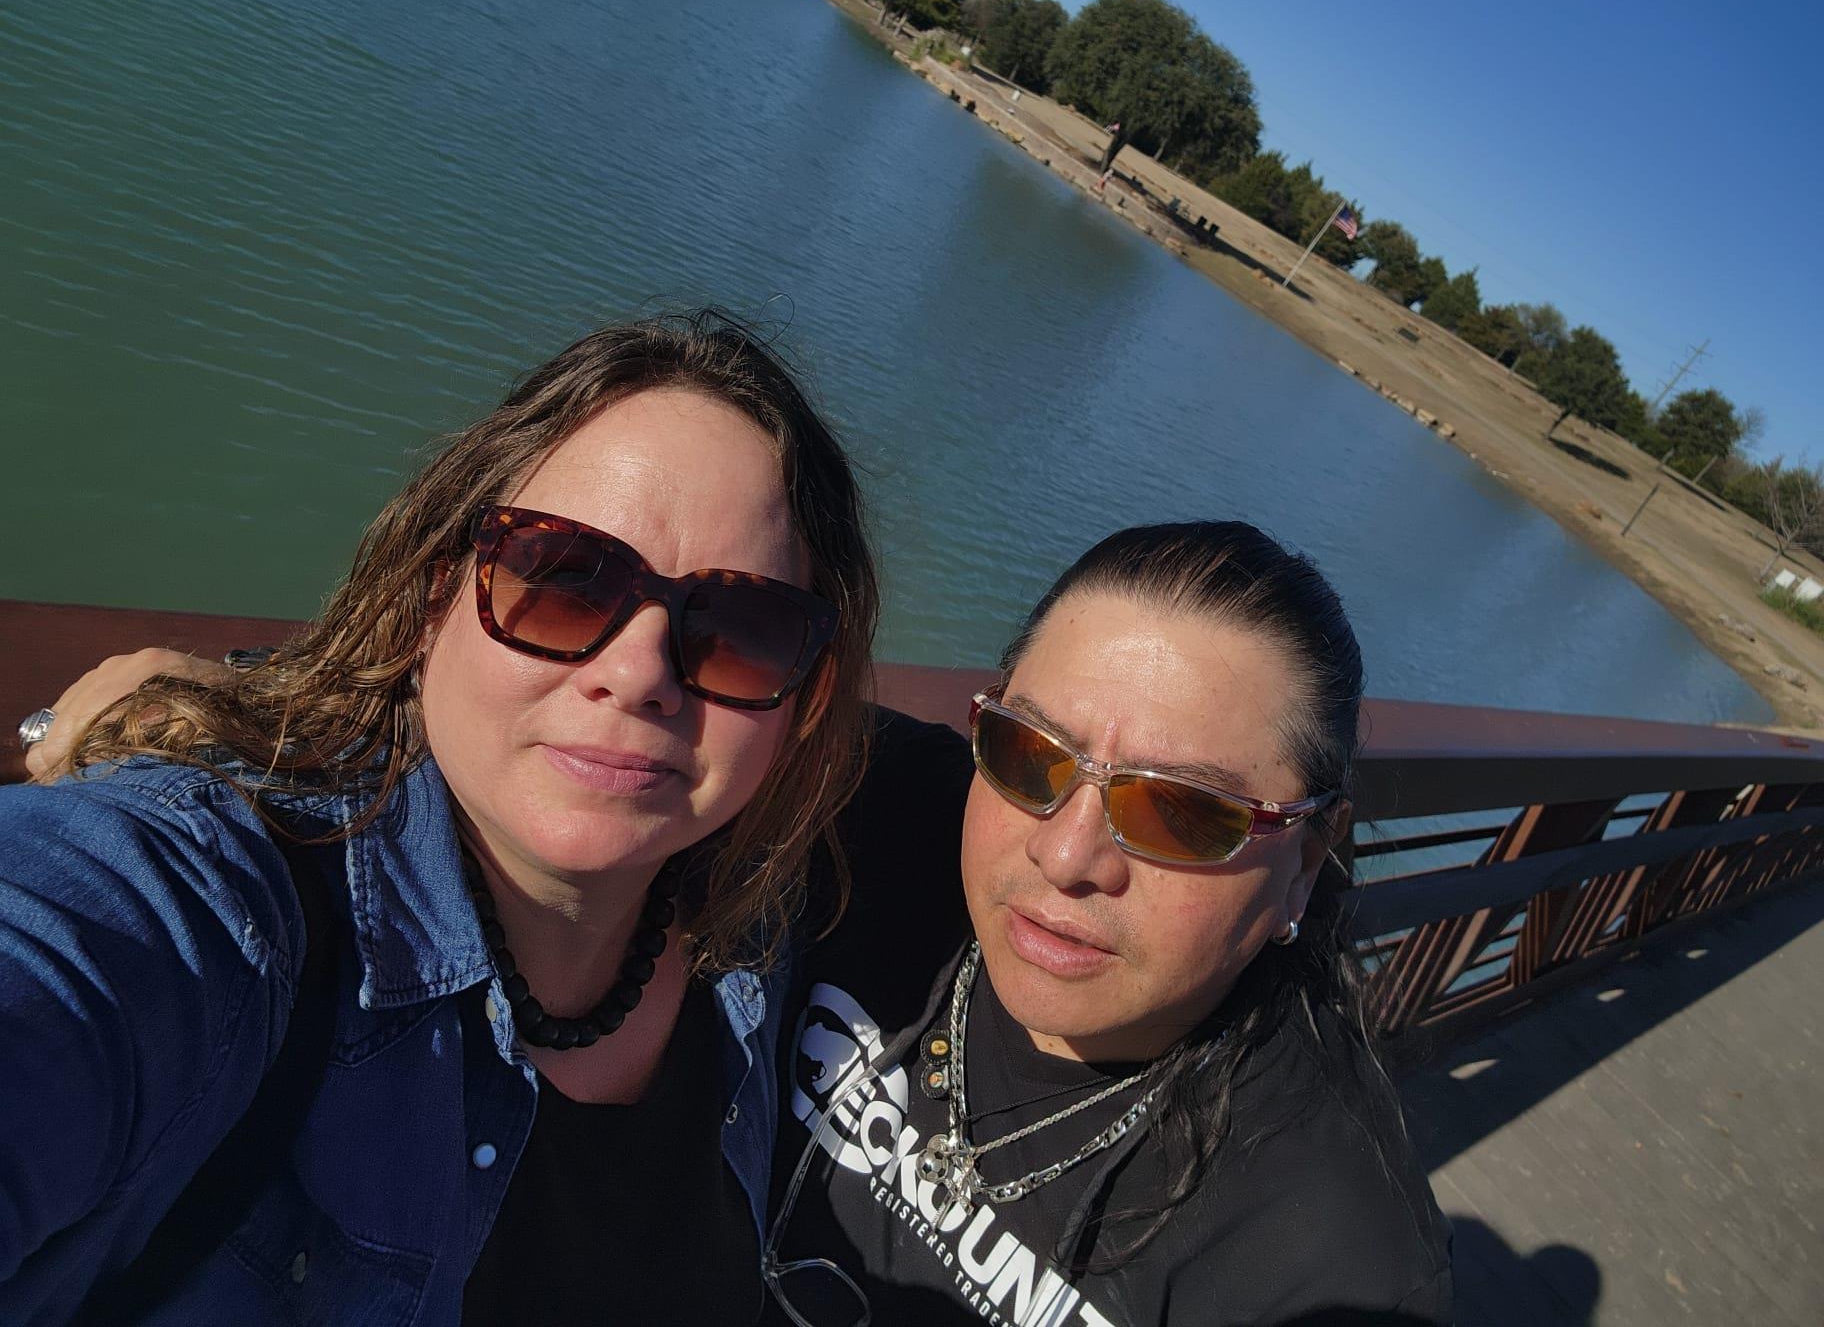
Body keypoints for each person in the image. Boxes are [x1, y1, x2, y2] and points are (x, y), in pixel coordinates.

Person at [0, 309, 880, 1325]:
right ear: (431, 603)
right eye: (563, 579)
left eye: (739, 628)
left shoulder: (752, 938)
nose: (636, 673)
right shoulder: (222, 904)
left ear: (805, 703)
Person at [763, 522, 1452, 1326]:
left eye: (1182, 811)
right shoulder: (864, 806)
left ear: (1303, 864)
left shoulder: (1332, 1268)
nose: (1065, 854)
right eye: (1029, 750)